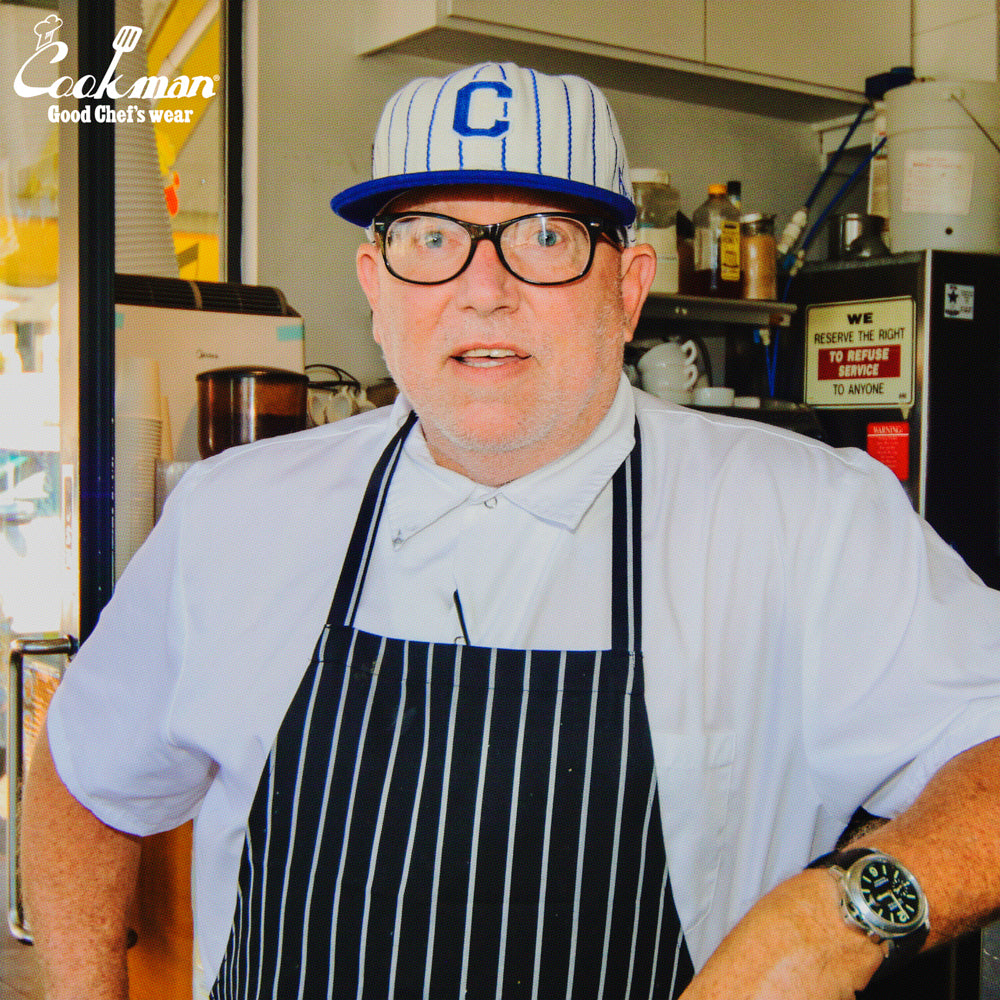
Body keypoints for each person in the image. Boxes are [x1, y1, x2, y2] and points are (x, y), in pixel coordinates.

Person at [22, 61, 1000, 1000]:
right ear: (375, 286)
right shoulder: (236, 513)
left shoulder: (804, 519)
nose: (482, 288)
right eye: (429, 238)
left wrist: (829, 921)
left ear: (627, 288)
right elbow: (82, 773)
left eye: (543, 236)